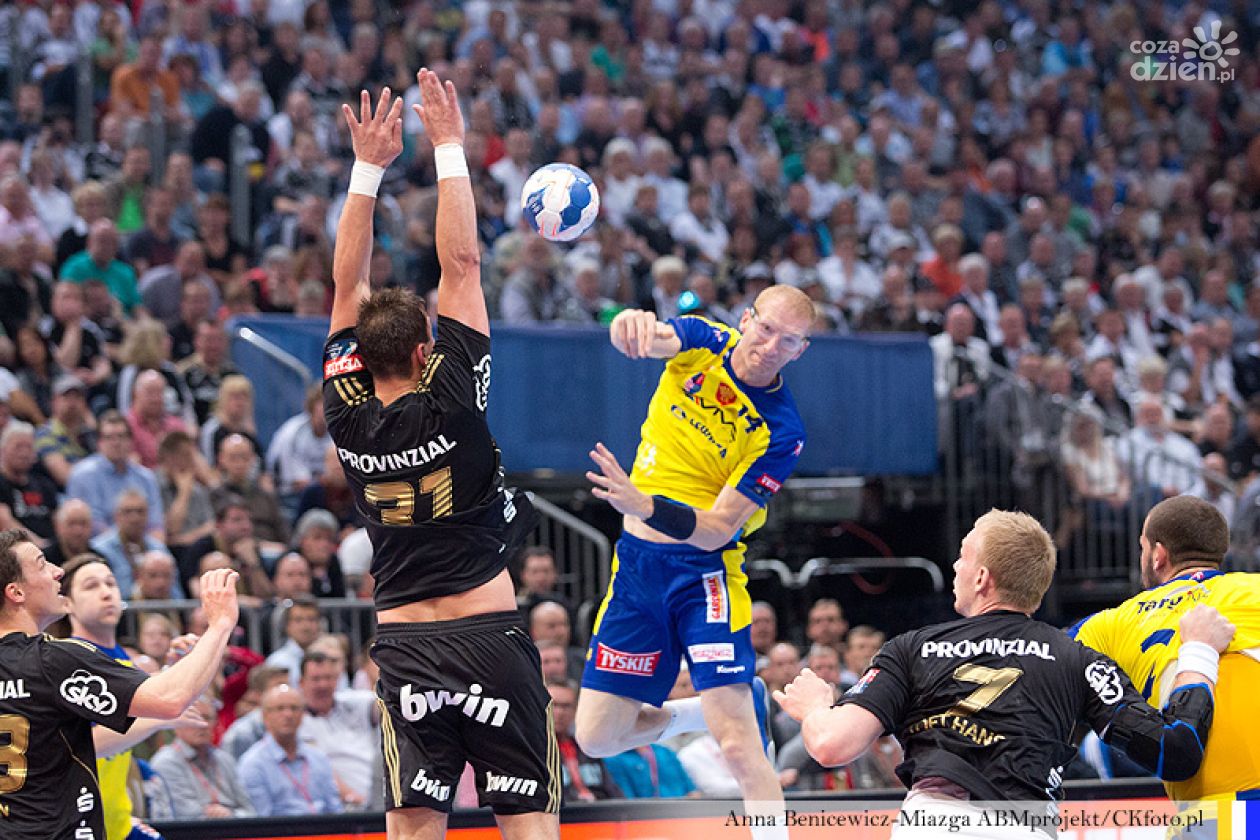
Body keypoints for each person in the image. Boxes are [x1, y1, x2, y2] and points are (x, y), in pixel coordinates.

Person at [324, 73, 558, 838]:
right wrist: (450, 146)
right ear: (425, 352)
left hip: (405, 645)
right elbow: (462, 266)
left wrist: (366, 168)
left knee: (415, 826)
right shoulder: (453, 397)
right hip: (487, 634)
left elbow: (347, 281)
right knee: (528, 823)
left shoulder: (344, 413)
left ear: (358, 359)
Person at [776, 510, 1232, 835]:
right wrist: (1197, 655)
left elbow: (831, 744)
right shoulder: (1076, 658)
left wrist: (815, 707)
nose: (955, 566)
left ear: (981, 578)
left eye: (963, 556)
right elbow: (1176, 752)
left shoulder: (913, 647)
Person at [576, 283, 813, 840]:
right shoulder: (705, 340)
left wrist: (644, 505)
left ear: (800, 351)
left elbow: (716, 530)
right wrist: (631, 326)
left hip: (704, 577)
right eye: (766, 329)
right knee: (596, 737)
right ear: (746, 319)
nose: (771, 346)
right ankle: (695, 711)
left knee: (739, 745)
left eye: (789, 341)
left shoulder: (782, 431)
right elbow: (655, 337)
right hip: (637, 572)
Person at [0, 531, 239, 840]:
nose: (57, 571)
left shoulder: (55, 663)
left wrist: (175, 670)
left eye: (110, 583)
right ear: (16, 592)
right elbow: (169, 699)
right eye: (43, 564)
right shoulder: (55, 660)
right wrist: (220, 623)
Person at [1071, 496, 1260, 806]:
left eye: (1143, 548)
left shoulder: (1113, 623)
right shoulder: (1253, 590)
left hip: (1215, 815)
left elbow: (1040, 658)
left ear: (1158, 555)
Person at [238, 683, 343, 816]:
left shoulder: (319, 758)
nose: (288, 714)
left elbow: (335, 809)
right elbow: (261, 819)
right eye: (280, 708)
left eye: (294, 708)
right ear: (265, 716)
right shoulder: (253, 764)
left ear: (303, 714)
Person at [149, 694, 256, 819]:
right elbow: (187, 815)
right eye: (193, 718)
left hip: (234, 827)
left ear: (216, 723)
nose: (202, 724)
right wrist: (227, 817)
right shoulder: (166, 763)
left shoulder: (225, 760)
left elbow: (250, 811)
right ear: (176, 725)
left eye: (207, 718)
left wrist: (230, 815)